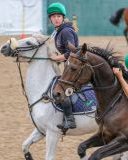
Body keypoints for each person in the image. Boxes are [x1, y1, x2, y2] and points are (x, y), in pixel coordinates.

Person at [47, 2, 79, 133]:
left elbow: (72, 52)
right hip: (68, 64)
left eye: (58, 16)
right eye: (53, 16)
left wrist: (56, 58)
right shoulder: (57, 31)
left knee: (61, 89)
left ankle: (70, 119)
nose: (56, 18)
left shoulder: (65, 31)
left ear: (63, 17)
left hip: (74, 66)